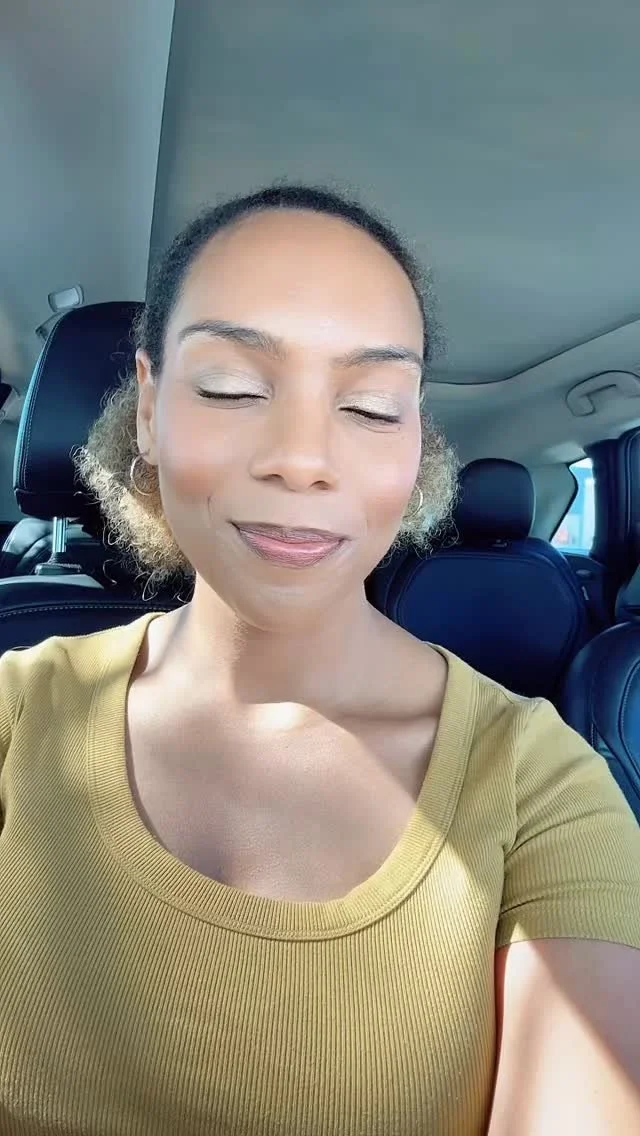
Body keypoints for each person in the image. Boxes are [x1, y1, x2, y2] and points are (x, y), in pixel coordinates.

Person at [0, 184, 638, 1136]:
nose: (303, 458)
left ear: (415, 442)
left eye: (372, 407)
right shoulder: (15, 712)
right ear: (150, 408)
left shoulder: (543, 785)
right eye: (231, 387)